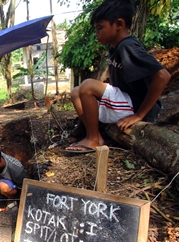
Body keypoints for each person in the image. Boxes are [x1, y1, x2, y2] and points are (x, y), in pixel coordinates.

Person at [65, 0, 171, 154]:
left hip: (135, 105)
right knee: (76, 92)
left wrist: (139, 114)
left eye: (100, 28)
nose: (97, 33)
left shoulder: (128, 46)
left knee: (87, 85)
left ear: (119, 24)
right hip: (124, 103)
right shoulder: (114, 47)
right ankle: (94, 135)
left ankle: (94, 139)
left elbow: (163, 76)